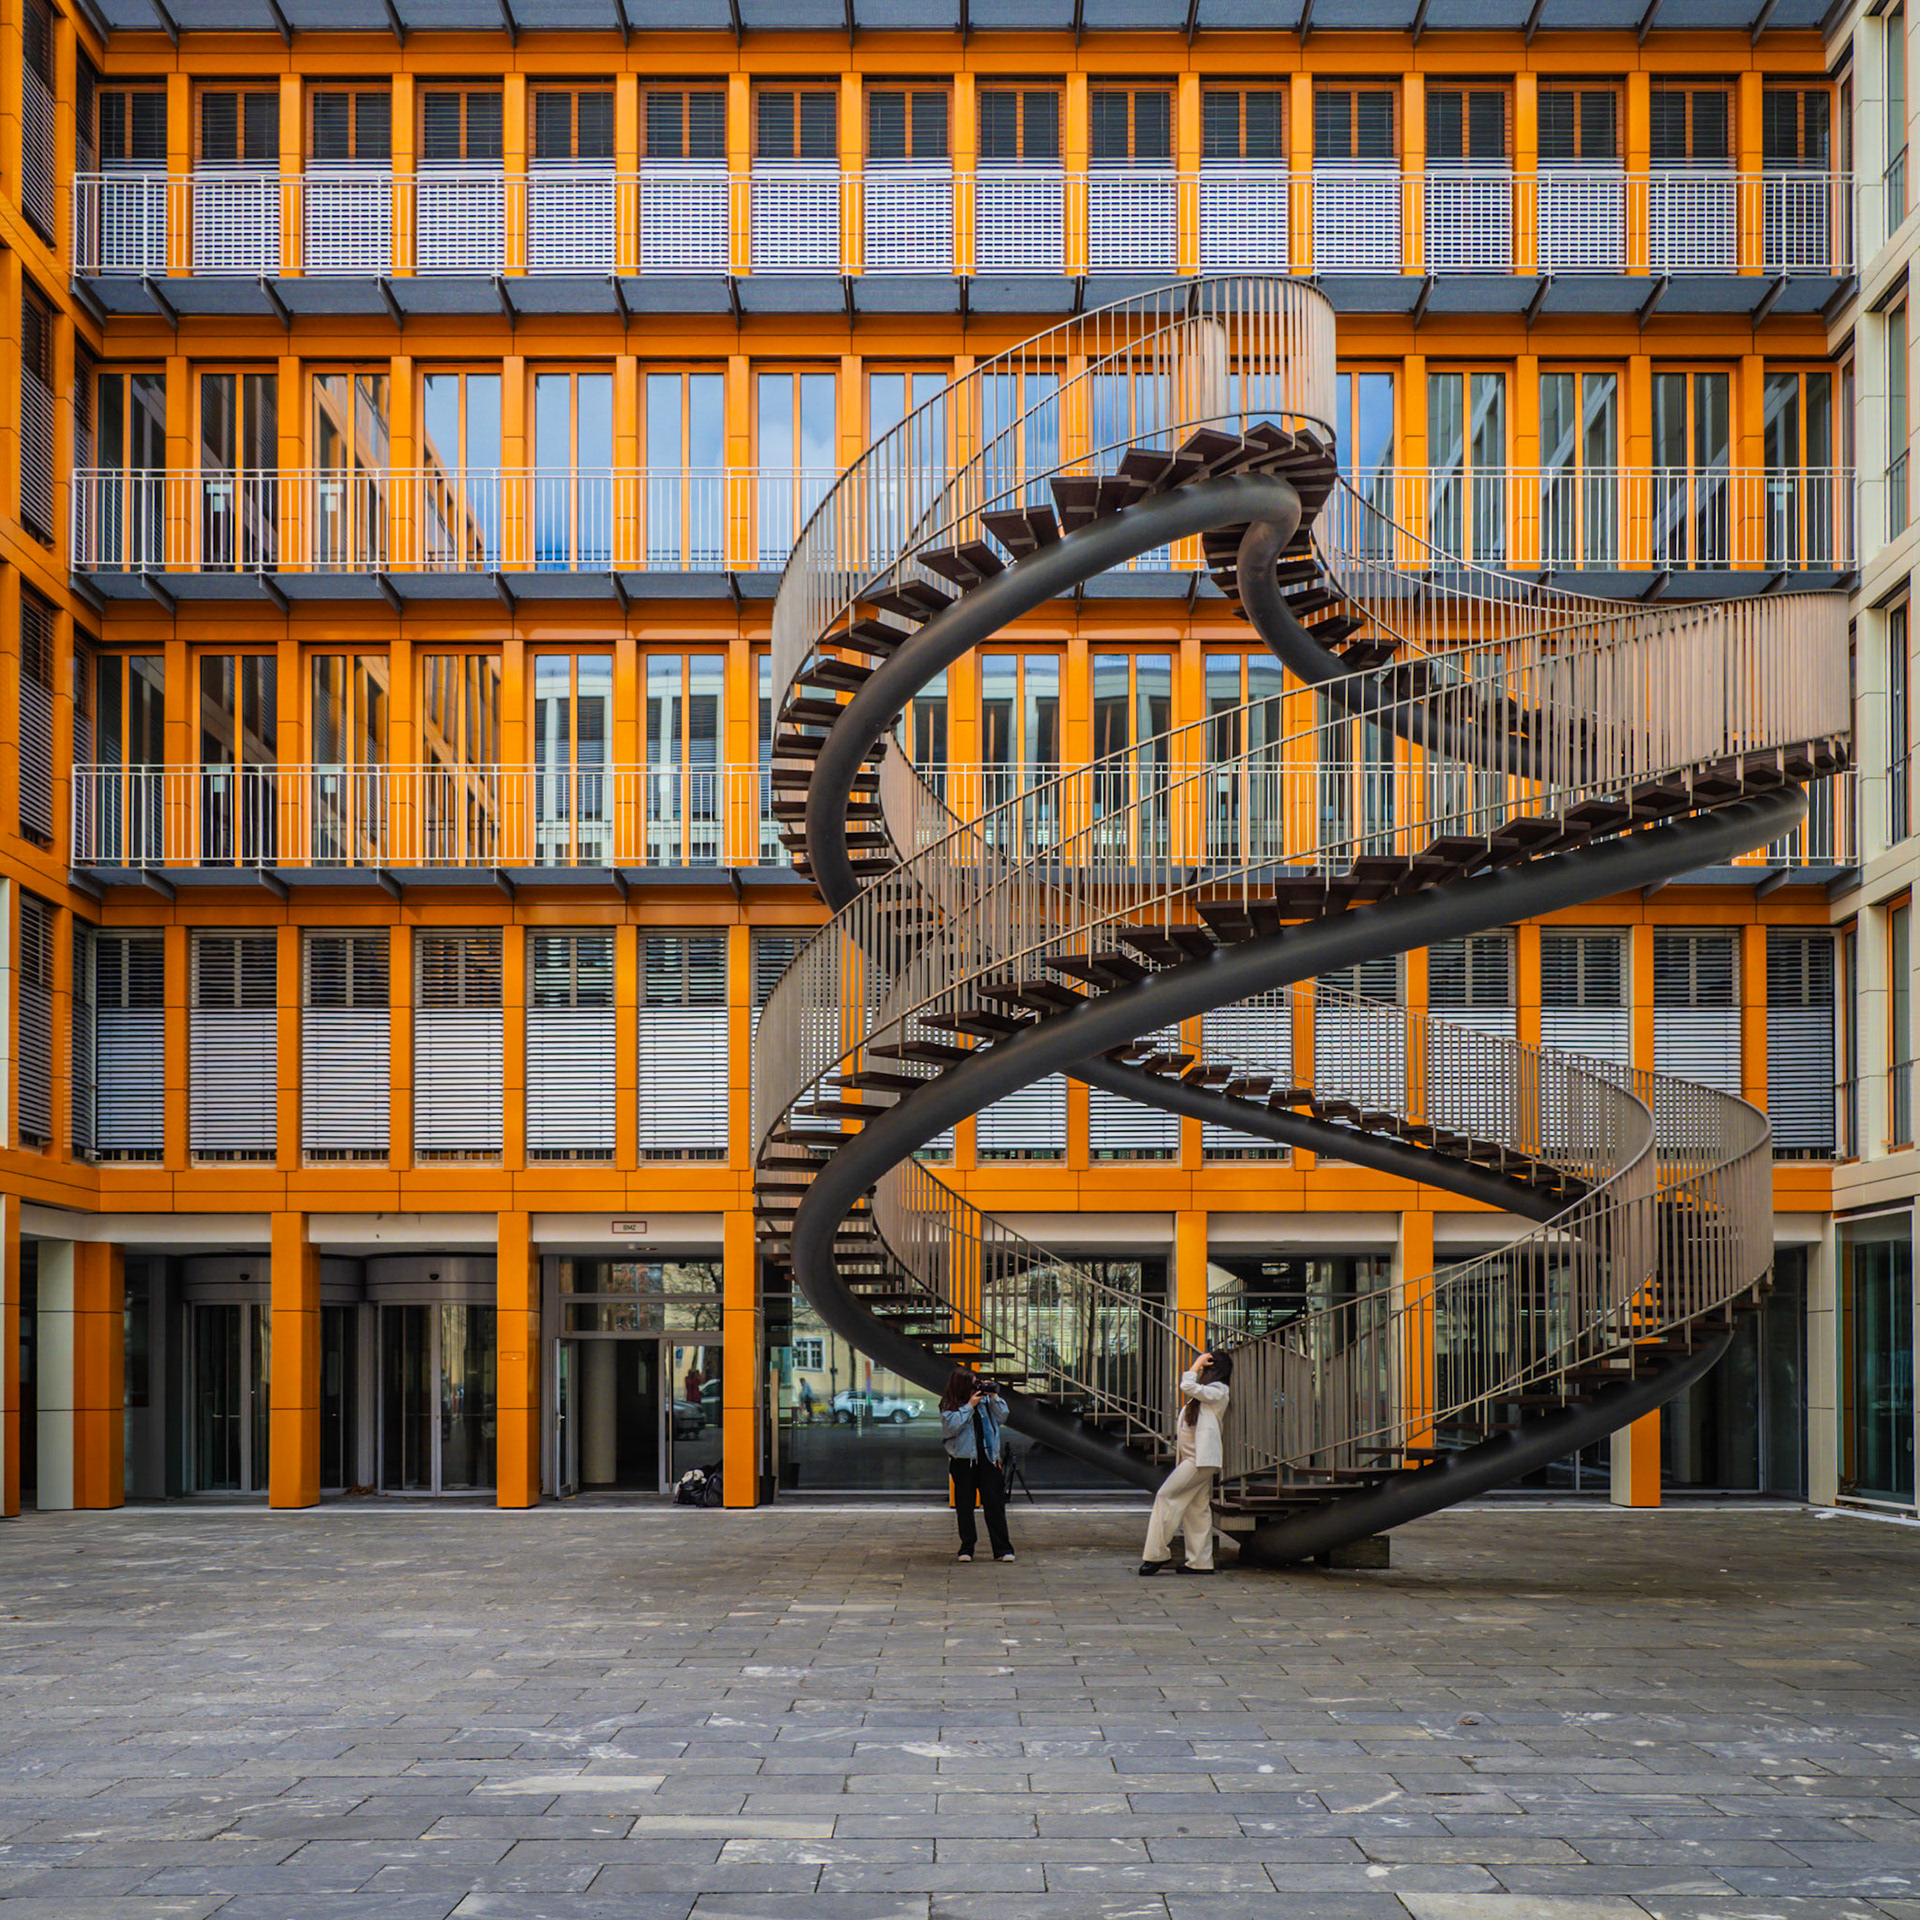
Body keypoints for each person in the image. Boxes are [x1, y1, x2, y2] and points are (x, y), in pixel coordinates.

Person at [1139, 1348, 1234, 1576]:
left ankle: (1157, 1554)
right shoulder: (1205, 1394)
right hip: (1195, 1459)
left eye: (1204, 1366)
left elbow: (1187, 1385)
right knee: (1196, 1510)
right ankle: (1200, 1562)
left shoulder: (1218, 1391)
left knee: (1165, 1496)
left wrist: (1195, 1366)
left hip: (1199, 1460)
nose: (1200, 1369)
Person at [939, 1367, 1015, 1563]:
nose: (977, 1387)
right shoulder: (951, 1404)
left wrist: (994, 1396)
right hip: (963, 1461)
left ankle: (1002, 1549)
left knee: (995, 1505)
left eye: (978, 1383)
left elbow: (1002, 1417)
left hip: (988, 1459)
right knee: (965, 1506)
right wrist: (969, 1406)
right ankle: (966, 1548)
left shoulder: (986, 1402)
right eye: (973, 1384)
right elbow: (951, 1427)